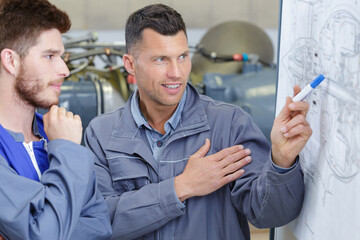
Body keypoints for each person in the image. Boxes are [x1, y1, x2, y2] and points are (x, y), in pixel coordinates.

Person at [84, 4, 312, 240]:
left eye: (182, 57)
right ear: (130, 64)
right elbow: (99, 223)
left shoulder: (229, 124)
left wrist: (282, 163)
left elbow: (269, 215)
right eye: (161, 59)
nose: (176, 73)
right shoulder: (102, 134)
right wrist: (181, 187)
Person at [0, 0, 112, 239]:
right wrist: (68, 150)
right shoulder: (66, 144)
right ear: (11, 61)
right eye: (50, 56)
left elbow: (100, 227)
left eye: (62, 56)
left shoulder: (57, 134)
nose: (65, 69)